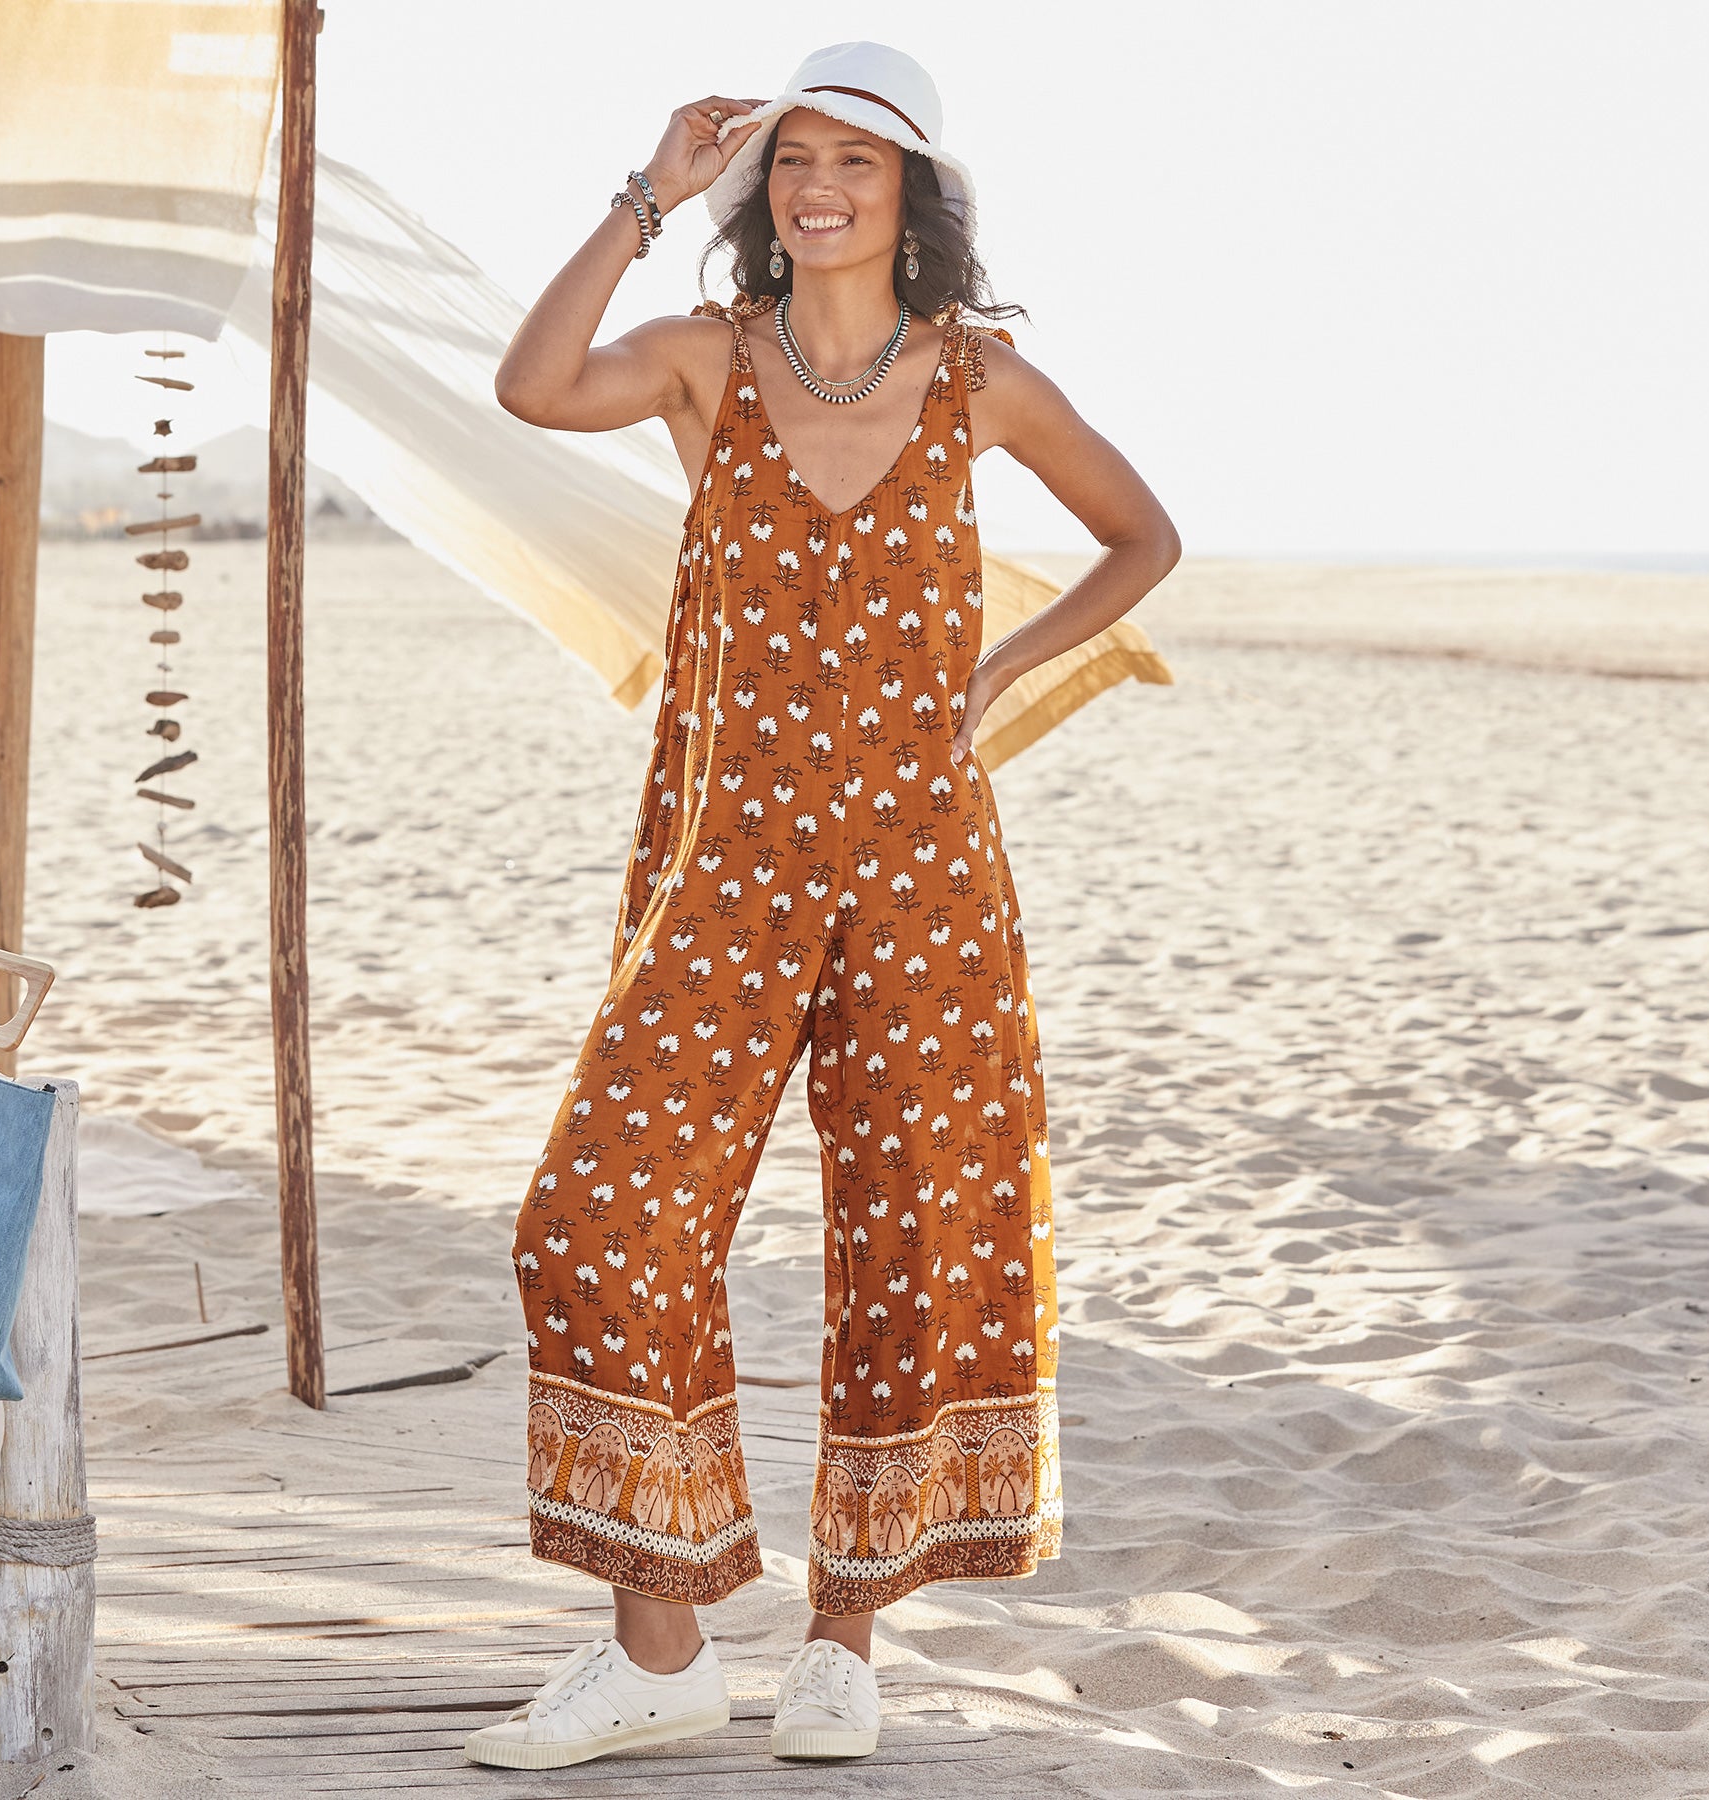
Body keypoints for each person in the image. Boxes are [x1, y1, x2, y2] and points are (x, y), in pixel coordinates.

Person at [467, 40, 1180, 1773]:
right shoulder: (705, 359)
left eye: (856, 160)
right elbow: (533, 388)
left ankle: (843, 1646)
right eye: (792, 159)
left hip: (926, 868)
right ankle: (658, 1649)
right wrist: (646, 196)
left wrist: (1000, 670)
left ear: (912, 193)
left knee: (918, 1238)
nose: (819, 187)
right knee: (594, 1218)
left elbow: (1141, 538)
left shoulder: (981, 382)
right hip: (729, 867)